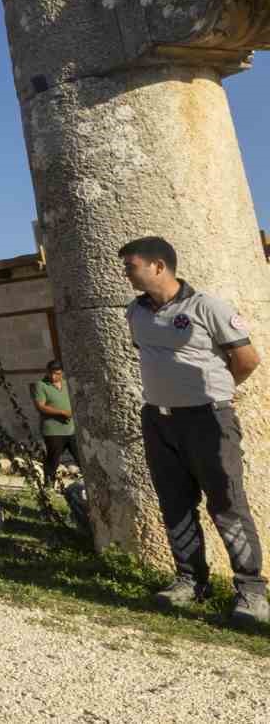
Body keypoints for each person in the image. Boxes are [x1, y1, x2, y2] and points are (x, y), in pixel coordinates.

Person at [119, 236, 266, 624]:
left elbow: (247, 360)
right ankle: (190, 581)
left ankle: (252, 592)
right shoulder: (135, 312)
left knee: (227, 503)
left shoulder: (207, 307)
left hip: (207, 419)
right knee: (175, 502)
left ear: (158, 266)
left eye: (131, 266)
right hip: (158, 419)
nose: (126, 273)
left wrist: (217, 392)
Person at [31, 358, 79, 482]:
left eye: (56, 374)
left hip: (71, 429)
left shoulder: (67, 384)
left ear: (62, 372)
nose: (53, 376)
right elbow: (40, 407)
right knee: (53, 460)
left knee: (81, 458)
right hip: (53, 431)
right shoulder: (41, 385)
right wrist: (62, 412)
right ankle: (49, 486)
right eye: (50, 373)